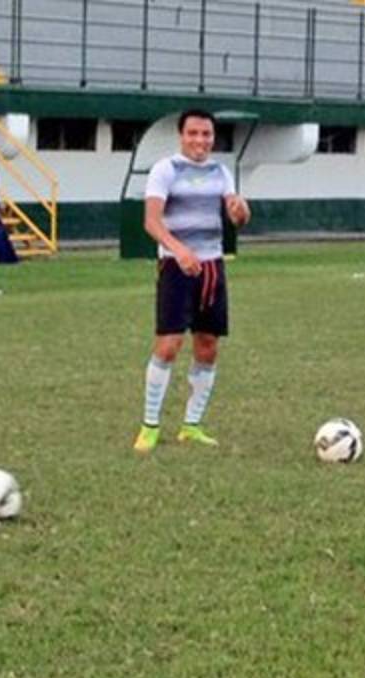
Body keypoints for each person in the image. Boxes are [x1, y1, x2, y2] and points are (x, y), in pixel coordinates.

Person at [133, 109, 251, 453]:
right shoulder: (165, 170)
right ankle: (150, 426)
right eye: (194, 133)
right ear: (181, 136)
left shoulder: (221, 172)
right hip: (176, 267)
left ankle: (192, 425)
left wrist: (241, 211)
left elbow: (237, 217)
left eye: (206, 134)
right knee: (169, 345)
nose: (200, 140)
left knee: (208, 346)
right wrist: (179, 249)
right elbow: (151, 222)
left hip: (212, 267)